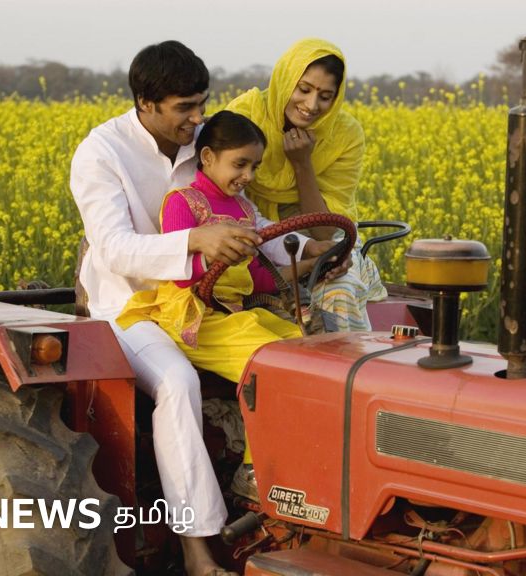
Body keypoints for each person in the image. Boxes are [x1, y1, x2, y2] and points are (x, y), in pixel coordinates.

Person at [70, 42, 344, 576]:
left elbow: (249, 221)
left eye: (202, 105)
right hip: (131, 307)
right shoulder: (101, 153)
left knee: (313, 351)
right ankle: (197, 547)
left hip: (211, 306)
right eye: (184, 109)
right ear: (146, 103)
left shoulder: (206, 145)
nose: (197, 120)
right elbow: (115, 249)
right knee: (177, 383)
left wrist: (312, 253)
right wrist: (196, 241)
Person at [116, 111, 327, 502]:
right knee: (268, 362)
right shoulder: (184, 203)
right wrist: (215, 259)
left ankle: (302, 455)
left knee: (304, 345)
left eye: (255, 166)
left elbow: (260, 279)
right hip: (197, 314)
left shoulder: (244, 210)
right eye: (240, 164)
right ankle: (253, 469)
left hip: (234, 314)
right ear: (208, 158)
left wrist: (313, 261)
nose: (248, 175)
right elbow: (180, 273)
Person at [226, 38, 387, 332]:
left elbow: (325, 229)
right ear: (286, 80)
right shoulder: (247, 114)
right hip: (257, 232)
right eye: (304, 90)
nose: (312, 106)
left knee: (337, 291)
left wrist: (302, 164)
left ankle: (348, 372)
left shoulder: (345, 134)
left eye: (325, 96)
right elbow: (224, 195)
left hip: (324, 235)